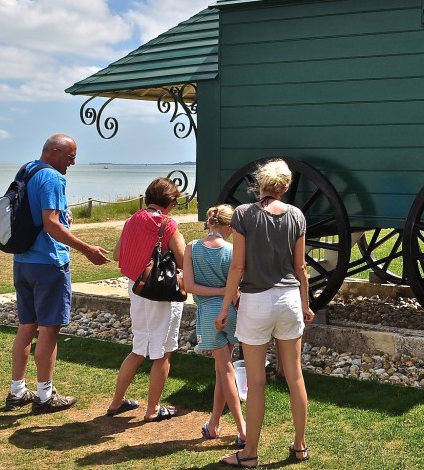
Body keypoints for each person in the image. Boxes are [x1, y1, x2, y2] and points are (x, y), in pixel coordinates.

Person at [216, 159, 314, 467]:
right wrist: (306, 303)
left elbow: (237, 267)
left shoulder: (244, 214)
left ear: (260, 185)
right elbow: (301, 268)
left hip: (256, 302)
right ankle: (299, 446)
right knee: (295, 376)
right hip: (288, 300)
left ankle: (250, 453)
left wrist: (223, 307)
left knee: (256, 382)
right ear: (284, 187)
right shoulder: (297, 215)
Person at [6, 133, 111, 413]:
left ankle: (17, 391)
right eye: (70, 156)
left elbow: (42, 216)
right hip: (48, 263)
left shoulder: (28, 169)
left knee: (26, 327)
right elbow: (50, 223)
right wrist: (87, 248)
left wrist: (63, 219)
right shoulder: (52, 177)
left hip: (23, 260)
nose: (72, 163)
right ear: (54, 152)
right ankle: (44, 395)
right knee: (49, 329)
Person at [105, 177, 186, 421]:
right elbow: (182, 261)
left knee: (139, 347)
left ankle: (117, 401)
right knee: (163, 351)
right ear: (170, 202)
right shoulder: (168, 224)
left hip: (137, 287)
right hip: (159, 291)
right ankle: (152, 409)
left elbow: (118, 254)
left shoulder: (132, 220)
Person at [183, 204, 246, 447]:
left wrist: (219, 292)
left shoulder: (192, 248)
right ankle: (213, 424)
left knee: (225, 370)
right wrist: (227, 292)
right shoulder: (232, 250)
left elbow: (189, 287)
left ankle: (242, 429)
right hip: (232, 311)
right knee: (223, 371)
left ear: (210, 223)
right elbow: (238, 286)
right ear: (229, 227)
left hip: (210, 313)